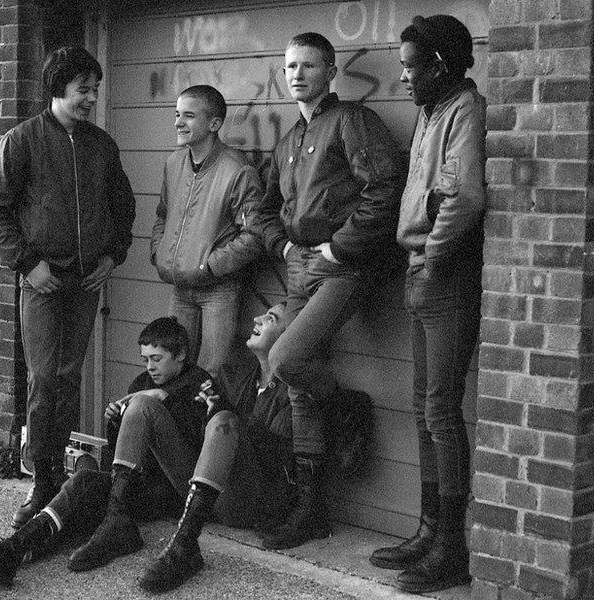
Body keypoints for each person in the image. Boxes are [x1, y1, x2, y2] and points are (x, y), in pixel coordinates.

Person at [0, 317, 257, 593]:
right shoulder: (140, 383)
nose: (149, 367)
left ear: (181, 355)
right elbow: (121, 457)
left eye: (158, 359)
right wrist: (115, 423)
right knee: (82, 491)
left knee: (86, 495)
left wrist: (162, 398)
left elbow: (207, 441)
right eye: (145, 359)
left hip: (174, 489)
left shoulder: (201, 382)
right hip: (135, 489)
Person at [250, 31, 404, 550]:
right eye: (290, 65)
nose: (297, 74)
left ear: (330, 71)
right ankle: (311, 509)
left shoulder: (353, 122)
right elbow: (265, 209)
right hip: (300, 266)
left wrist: (340, 247)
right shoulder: (291, 138)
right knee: (293, 382)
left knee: (287, 355)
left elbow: (385, 187)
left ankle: (346, 407)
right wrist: (285, 248)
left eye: (309, 65)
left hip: (343, 266)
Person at [0, 46, 136, 527]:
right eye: (82, 89)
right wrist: (29, 265)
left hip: (86, 282)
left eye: (95, 89)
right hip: (43, 283)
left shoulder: (101, 145)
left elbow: (123, 207)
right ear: (58, 89)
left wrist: (113, 256)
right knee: (44, 377)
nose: (91, 98)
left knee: (69, 378)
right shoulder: (22, 141)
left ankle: (62, 479)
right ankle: (42, 481)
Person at [369, 15, 485, 594]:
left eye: (413, 65)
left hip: (446, 274)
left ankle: (452, 550)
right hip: (421, 268)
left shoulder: (465, 107)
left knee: (440, 406)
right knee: (423, 405)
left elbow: (462, 198)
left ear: (441, 64)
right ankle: (427, 529)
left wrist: (433, 258)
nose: (404, 76)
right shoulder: (430, 112)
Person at [150, 84, 263, 379]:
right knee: (173, 368)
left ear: (214, 124)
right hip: (179, 286)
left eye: (188, 116)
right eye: (177, 114)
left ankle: (210, 426)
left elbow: (254, 234)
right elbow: (163, 215)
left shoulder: (238, 169)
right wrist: (160, 253)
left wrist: (210, 266)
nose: (178, 122)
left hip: (218, 290)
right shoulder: (173, 163)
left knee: (211, 374)